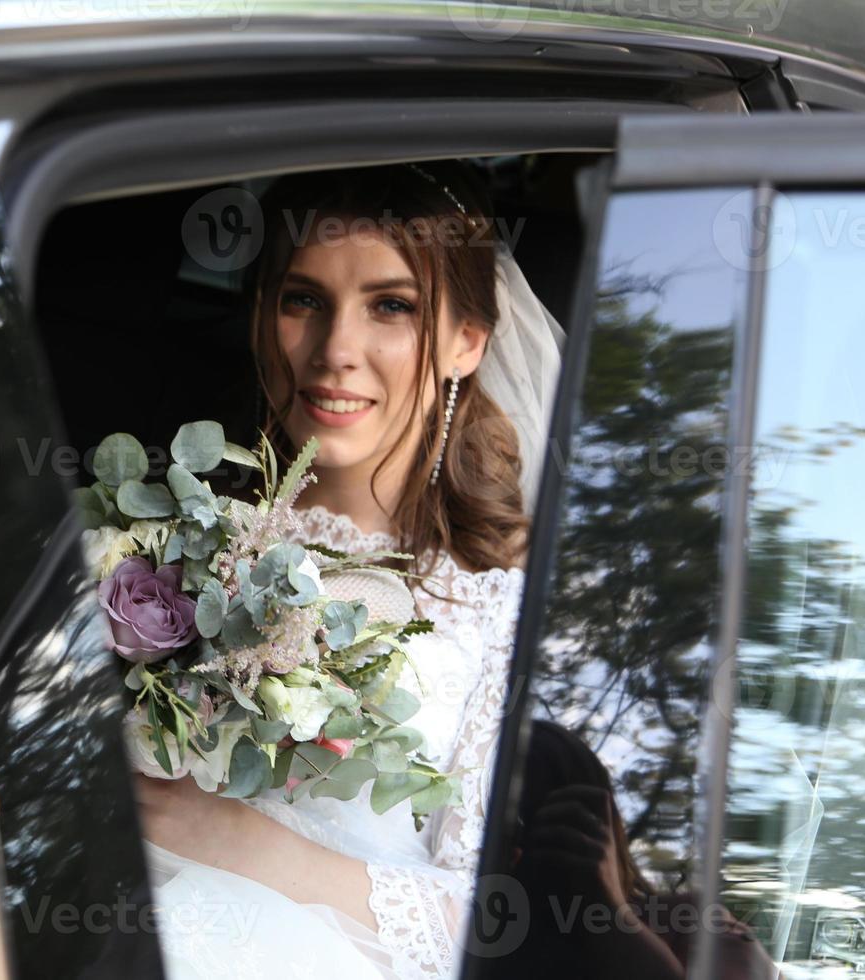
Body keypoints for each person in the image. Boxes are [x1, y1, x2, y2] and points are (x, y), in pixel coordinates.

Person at [129, 161, 564, 979]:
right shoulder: (170, 534)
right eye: (304, 300)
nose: (336, 351)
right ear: (264, 316)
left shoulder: (507, 608)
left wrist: (229, 837)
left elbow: (495, 922)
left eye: (390, 307)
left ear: (466, 343)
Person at [510, 721, 779, 980]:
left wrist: (610, 912)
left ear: (594, 825)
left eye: (542, 824)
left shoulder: (689, 924)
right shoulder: (485, 935)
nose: (520, 852)